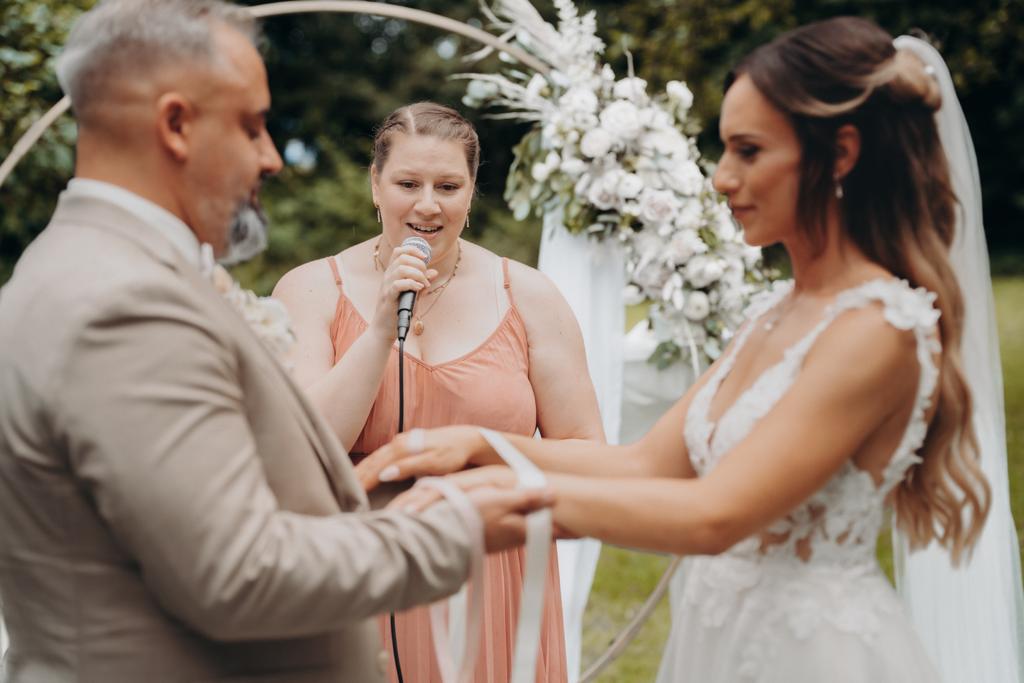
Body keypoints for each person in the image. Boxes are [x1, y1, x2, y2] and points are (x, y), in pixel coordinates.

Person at [357, 17, 1000, 682]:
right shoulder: (771, 314)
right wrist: (479, 446)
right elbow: (647, 465)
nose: (721, 178)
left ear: (840, 154)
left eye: (748, 151)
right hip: (722, 634)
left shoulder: (878, 328)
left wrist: (508, 501)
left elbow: (713, 514)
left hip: (813, 654)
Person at [0, 2, 553, 681]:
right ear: (175, 124)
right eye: (253, 125)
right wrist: (456, 528)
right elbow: (239, 573)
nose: (271, 158)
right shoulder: (121, 303)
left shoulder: (97, 266)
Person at [272, 101, 604, 683]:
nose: (428, 204)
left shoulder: (529, 296)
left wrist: (481, 454)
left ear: (471, 193)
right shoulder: (309, 291)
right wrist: (378, 329)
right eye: (408, 183)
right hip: (360, 570)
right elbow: (307, 451)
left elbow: (589, 456)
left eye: (448, 185)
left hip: (492, 575)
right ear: (375, 186)